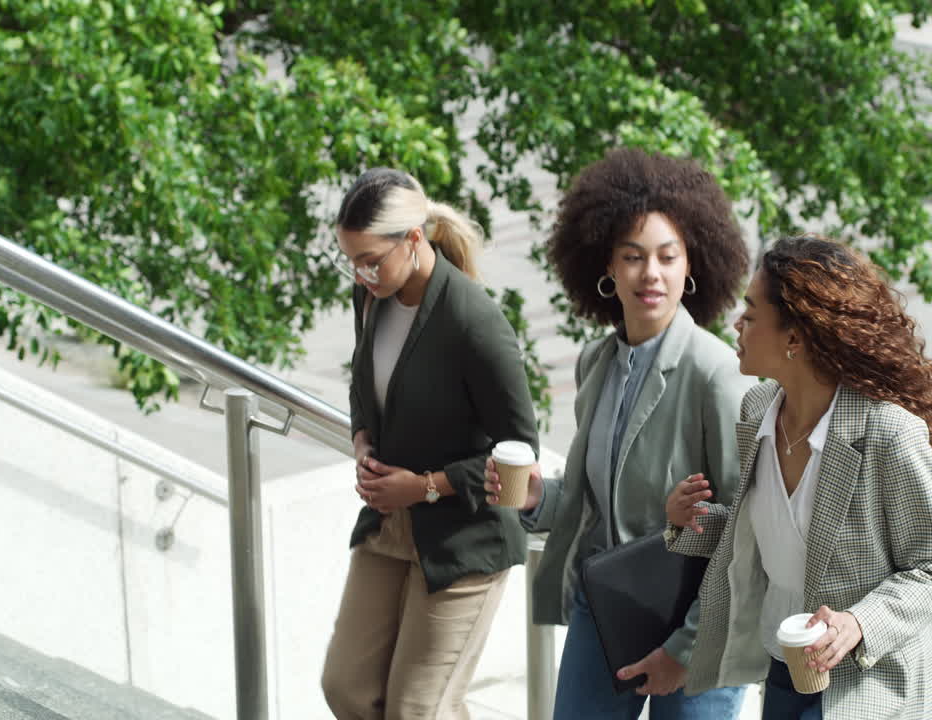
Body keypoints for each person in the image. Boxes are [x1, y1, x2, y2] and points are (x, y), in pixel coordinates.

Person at [485, 148, 751, 720]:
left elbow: (744, 532)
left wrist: (684, 649)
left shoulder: (716, 372)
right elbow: (597, 500)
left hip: (696, 619)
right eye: (632, 257)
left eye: (666, 256)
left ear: (691, 265)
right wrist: (536, 497)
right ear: (606, 267)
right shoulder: (595, 364)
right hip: (607, 604)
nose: (649, 274)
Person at [665, 235, 932, 719]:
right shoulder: (757, 411)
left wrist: (857, 622)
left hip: (865, 686)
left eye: (752, 313)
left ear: (794, 338)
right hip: (785, 667)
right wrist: (689, 521)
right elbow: (767, 535)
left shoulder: (887, 433)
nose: (737, 324)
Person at [321, 168, 539, 720]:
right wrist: (362, 439)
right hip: (389, 524)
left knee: (418, 710)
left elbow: (519, 452)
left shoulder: (474, 321)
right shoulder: (371, 295)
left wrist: (423, 488)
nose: (361, 273)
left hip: (466, 536)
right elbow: (361, 379)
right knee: (346, 688)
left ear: (414, 240)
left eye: (371, 259)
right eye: (351, 260)